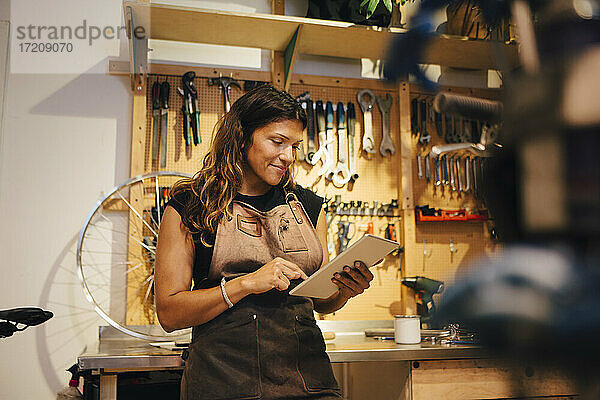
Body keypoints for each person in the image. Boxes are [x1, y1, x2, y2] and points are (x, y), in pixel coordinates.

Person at [155, 84, 374, 400]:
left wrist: (344, 291)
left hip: (308, 383)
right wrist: (246, 284)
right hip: (224, 384)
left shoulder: (308, 207)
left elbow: (321, 301)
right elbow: (169, 313)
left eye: (294, 145)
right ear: (243, 138)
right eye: (277, 141)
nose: (288, 156)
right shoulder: (191, 205)